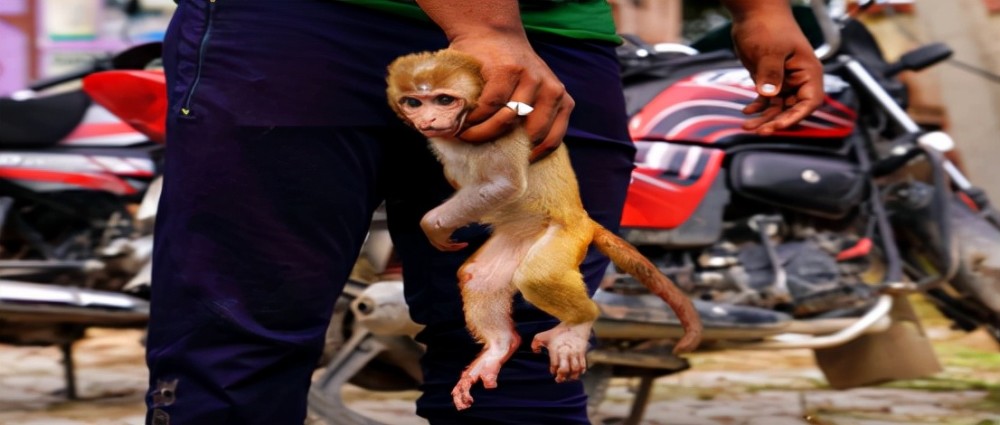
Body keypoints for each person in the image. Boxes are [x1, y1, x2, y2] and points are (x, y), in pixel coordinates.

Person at [144, 1, 824, 424]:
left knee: (524, 356)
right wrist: (480, 22)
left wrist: (758, 7)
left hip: (549, 30)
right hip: (304, 22)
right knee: (238, 346)